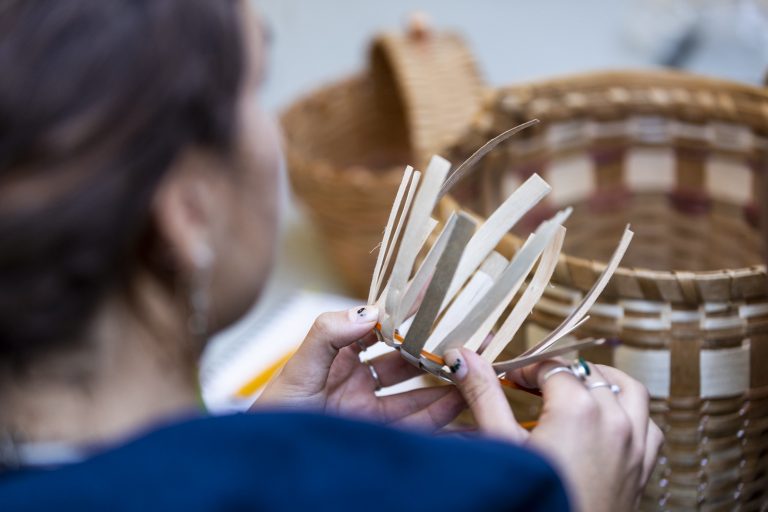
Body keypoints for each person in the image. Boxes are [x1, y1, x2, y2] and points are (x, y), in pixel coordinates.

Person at [0, 0, 662, 510]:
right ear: (185, 214)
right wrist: (573, 496)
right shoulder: (491, 493)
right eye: (255, 89)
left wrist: (261, 450)